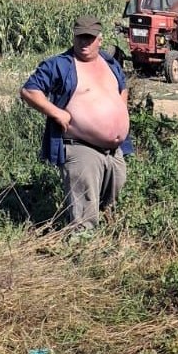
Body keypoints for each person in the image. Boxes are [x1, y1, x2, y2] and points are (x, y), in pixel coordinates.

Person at [20, 15, 132, 234]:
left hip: (114, 150)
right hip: (81, 146)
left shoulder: (110, 63)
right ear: (74, 37)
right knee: (84, 211)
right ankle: (81, 248)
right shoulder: (60, 65)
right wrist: (56, 112)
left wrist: (120, 110)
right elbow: (29, 91)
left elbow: (123, 86)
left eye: (89, 38)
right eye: (80, 37)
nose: (84, 43)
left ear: (100, 39)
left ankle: (107, 241)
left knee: (111, 204)